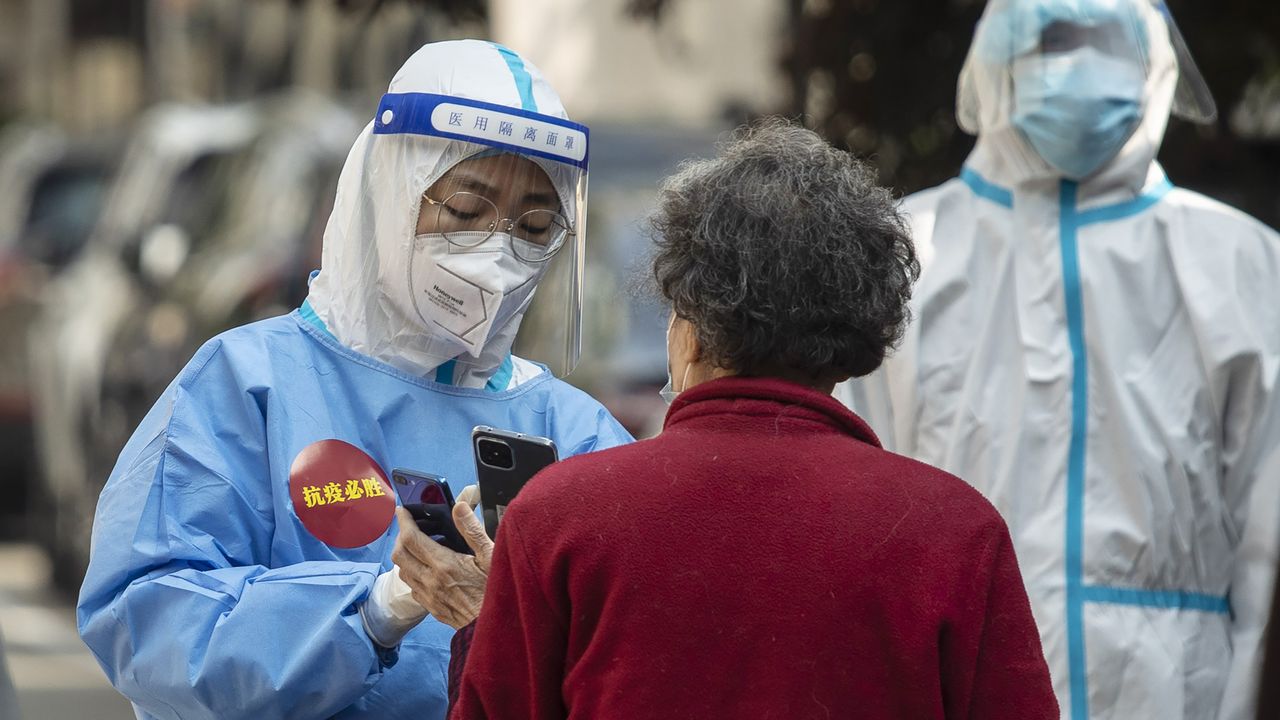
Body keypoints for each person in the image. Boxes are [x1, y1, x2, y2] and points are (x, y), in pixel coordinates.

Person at [394, 120, 1059, 719]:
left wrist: (485, 628)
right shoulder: (956, 532)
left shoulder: (558, 519)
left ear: (687, 325)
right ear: (858, 340)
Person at [76, 39, 631, 720]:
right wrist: (378, 606)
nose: (497, 250)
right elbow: (147, 625)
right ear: (389, 193)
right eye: (464, 212)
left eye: (535, 225)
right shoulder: (247, 386)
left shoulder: (574, 434)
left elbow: (635, 664)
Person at [837, 1, 1280, 718]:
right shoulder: (899, 254)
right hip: (944, 680)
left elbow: (1268, 542)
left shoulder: (1243, 267)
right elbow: (848, 508)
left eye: (1103, 40)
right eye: (1051, 39)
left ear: (1154, 63)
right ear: (993, 61)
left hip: (1173, 693)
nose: (1076, 65)